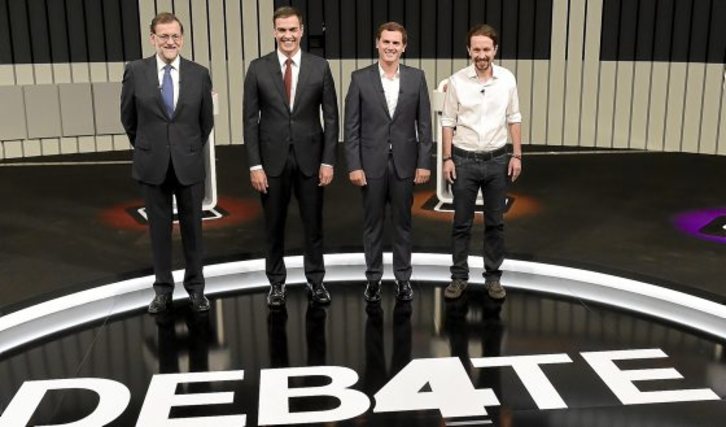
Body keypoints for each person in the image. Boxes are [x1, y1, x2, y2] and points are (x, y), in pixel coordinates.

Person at [244, 6, 339, 308]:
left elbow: (332, 117)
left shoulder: (319, 67)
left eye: (292, 30)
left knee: (314, 225)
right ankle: (276, 284)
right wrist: (254, 164)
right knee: (274, 226)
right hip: (271, 161)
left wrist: (328, 160)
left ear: (301, 30)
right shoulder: (258, 68)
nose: (287, 35)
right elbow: (249, 120)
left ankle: (316, 281)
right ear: (275, 32)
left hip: (311, 159)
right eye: (281, 30)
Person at [120, 12, 214, 314]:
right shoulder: (135, 71)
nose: (170, 41)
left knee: (193, 232)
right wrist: (150, 146)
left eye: (175, 36)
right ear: (153, 39)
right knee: (158, 232)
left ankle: (196, 289)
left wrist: (184, 148)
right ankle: (162, 291)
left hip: (188, 164)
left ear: (182, 38)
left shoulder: (199, 73)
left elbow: (205, 121)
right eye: (163, 36)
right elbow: (128, 118)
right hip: (152, 164)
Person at [344, 22, 432, 302]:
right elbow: (351, 127)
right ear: (377, 43)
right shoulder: (360, 78)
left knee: (403, 223)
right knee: (372, 224)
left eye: (396, 43)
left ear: (403, 47)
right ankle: (373, 279)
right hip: (370, 164)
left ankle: (403, 279)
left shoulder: (417, 78)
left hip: (406, 164)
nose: (391, 47)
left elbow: (425, 125)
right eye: (386, 42)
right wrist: (354, 165)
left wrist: (424, 162)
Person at [441, 24, 522, 301]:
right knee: (461, 224)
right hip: (463, 161)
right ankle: (458, 277)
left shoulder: (508, 80)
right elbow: (448, 121)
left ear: (495, 50)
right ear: (469, 50)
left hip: (497, 160)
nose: (481, 54)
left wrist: (517, 155)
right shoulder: (457, 81)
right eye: (476, 49)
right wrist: (447, 158)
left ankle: (493, 278)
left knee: (495, 224)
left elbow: (514, 117)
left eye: (486, 49)